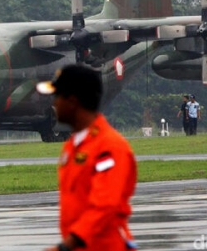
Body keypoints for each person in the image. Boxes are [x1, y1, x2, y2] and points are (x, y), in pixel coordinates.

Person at [37, 65, 137, 251]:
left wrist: (67, 245)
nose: (55, 103)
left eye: (58, 97)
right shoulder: (72, 146)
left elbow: (105, 205)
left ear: (73, 101)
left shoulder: (109, 146)